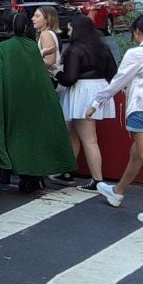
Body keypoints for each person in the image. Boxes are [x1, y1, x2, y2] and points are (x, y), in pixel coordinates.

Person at [86, 15, 143, 224]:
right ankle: (117, 191)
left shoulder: (136, 53)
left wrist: (96, 103)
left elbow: (118, 82)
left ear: (137, 32)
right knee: (136, 154)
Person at [0, 12, 76, 192]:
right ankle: (32, 176)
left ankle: (7, 167)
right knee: (32, 137)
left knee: (13, 134)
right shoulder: (31, 46)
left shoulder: (4, 47)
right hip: (35, 97)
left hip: (13, 97)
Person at [51, 15, 117, 191]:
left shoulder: (75, 50)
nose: (68, 31)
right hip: (98, 89)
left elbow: (69, 79)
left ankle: (97, 180)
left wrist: (56, 73)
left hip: (81, 92)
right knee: (74, 132)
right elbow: (113, 72)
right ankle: (67, 170)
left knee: (89, 139)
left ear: (78, 30)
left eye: (71, 29)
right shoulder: (103, 47)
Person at [32, 6, 63, 76]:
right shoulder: (48, 33)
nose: (32, 19)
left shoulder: (46, 35)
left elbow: (50, 62)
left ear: (47, 20)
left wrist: (31, 59)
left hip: (47, 78)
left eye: (37, 16)